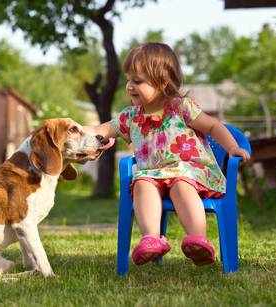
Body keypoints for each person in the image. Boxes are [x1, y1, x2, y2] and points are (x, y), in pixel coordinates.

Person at [90, 42, 250, 266]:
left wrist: (232, 147)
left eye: (137, 81)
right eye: (128, 80)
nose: (129, 86)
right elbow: (105, 129)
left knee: (180, 185)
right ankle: (152, 239)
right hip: (153, 174)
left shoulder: (181, 107)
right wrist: (85, 133)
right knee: (141, 183)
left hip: (190, 172)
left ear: (162, 82)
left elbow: (213, 127)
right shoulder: (131, 116)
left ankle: (197, 240)